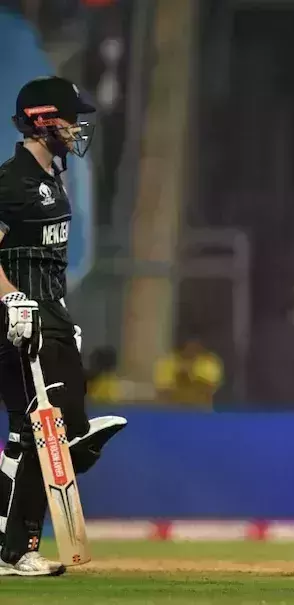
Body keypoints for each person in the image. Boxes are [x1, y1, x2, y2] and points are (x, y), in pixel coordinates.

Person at [0, 76, 127, 576]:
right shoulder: (11, 182)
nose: (77, 130)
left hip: (51, 316)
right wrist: (11, 299)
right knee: (47, 428)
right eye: (72, 120)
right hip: (21, 320)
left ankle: (8, 543)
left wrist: (62, 315)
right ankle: (17, 549)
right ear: (44, 121)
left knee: (34, 432)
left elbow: (47, 262)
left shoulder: (52, 178)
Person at [153, 339, 223, 406]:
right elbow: (163, 393)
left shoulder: (208, 364)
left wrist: (192, 375)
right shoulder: (167, 364)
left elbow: (209, 390)